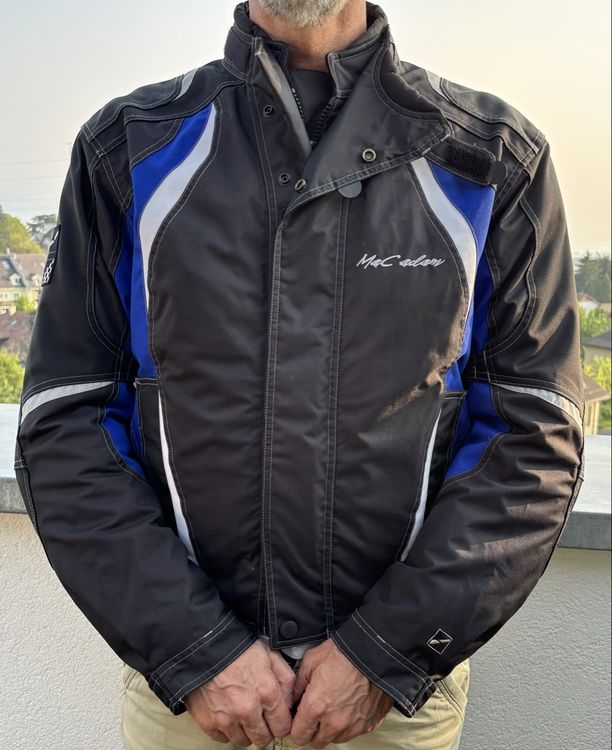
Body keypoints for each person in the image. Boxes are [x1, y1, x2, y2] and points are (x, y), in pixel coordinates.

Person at [14, 0, 585, 748]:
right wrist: (195, 648)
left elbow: (535, 432)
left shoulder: (490, 156)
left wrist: (385, 653)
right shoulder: (129, 145)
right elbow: (66, 417)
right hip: (190, 696)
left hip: (391, 701)